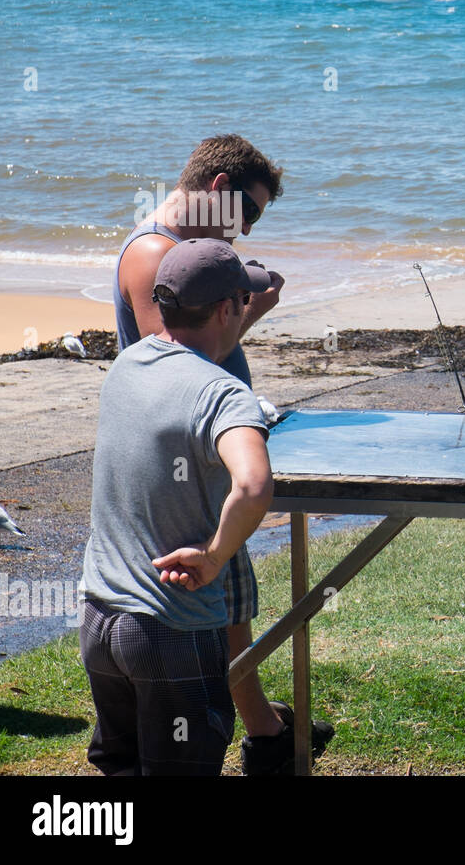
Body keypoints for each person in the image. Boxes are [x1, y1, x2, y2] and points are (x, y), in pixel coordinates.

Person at [117, 134, 332, 774]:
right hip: (188, 449)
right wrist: (248, 312)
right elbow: (179, 357)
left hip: (205, 440)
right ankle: (254, 738)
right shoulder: (154, 253)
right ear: (218, 192)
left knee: (231, 600)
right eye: (252, 214)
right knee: (215, 599)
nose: (248, 229)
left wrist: (241, 305)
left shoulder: (184, 252)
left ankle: (264, 728)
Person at [81, 239, 274, 774]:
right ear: (225, 308)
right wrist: (214, 557)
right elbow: (255, 485)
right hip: (171, 629)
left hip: (99, 619)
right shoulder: (222, 393)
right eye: (244, 301)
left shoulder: (126, 366)